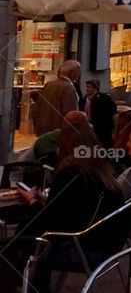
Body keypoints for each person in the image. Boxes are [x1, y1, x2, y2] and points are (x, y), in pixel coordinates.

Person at [17, 122, 124, 293]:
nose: (56, 151)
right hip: (106, 247)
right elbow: (73, 209)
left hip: (80, 248)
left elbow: (49, 222)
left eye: (58, 147)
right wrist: (44, 199)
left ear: (64, 149)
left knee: (28, 244)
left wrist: (32, 200)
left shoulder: (70, 176)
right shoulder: (103, 175)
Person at [33, 60, 81, 136]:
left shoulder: (49, 84)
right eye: (78, 71)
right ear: (73, 73)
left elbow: (38, 107)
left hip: (43, 130)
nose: (79, 74)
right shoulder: (68, 87)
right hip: (59, 133)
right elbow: (71, 113)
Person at [79, 78, 116, 149]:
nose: (86, 89)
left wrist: (104, 118)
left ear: (95, 88)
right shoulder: (85, 98)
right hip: (90, 126)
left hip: (102, 127)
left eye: (89, 87)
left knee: (104, 145)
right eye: (86, 87)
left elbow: (113, 109)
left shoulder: (104, 98)